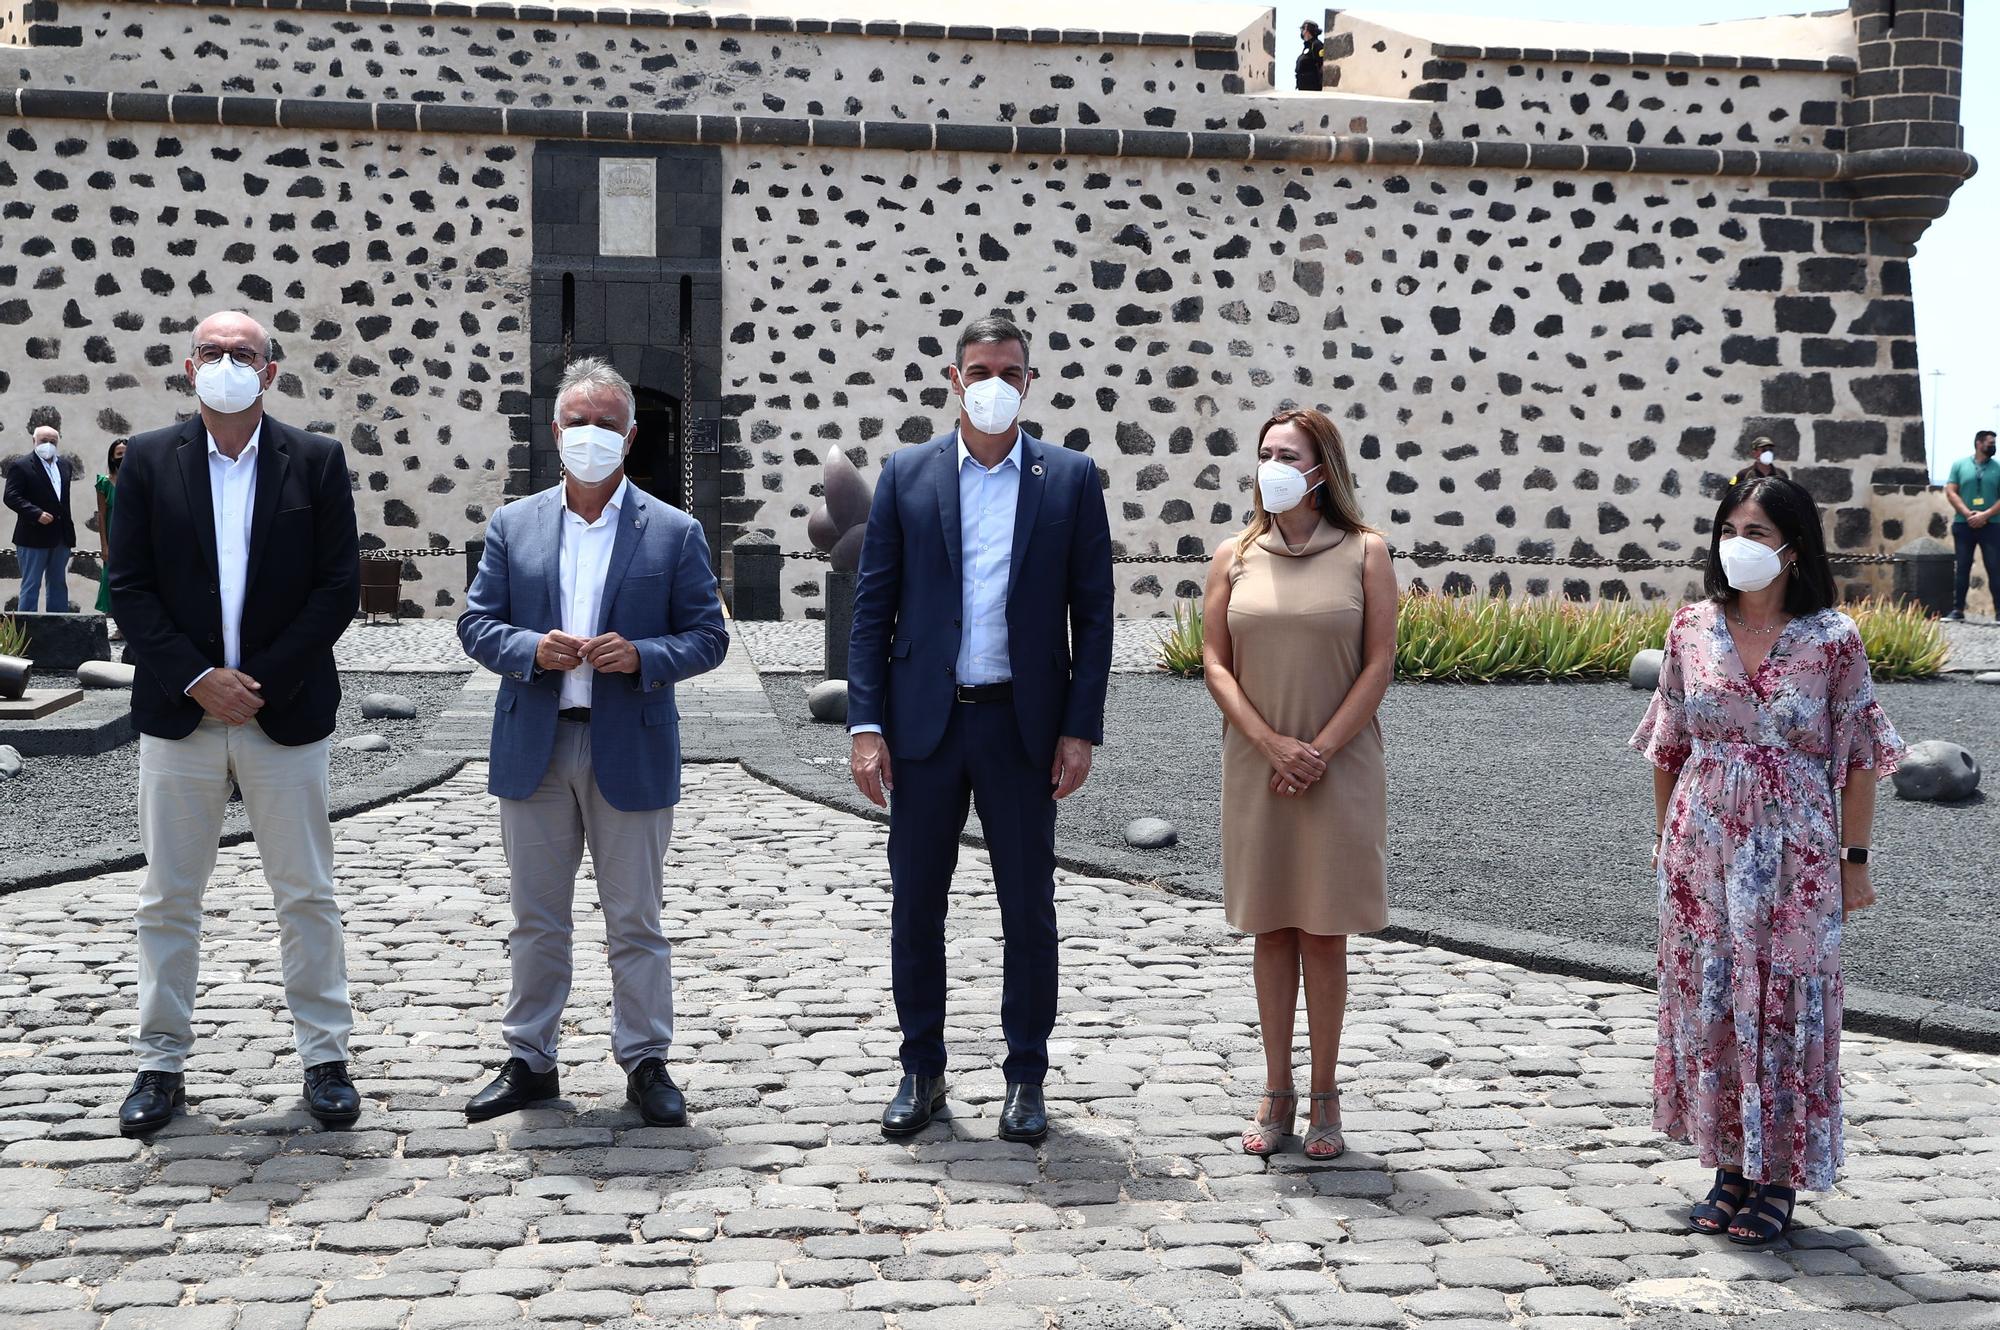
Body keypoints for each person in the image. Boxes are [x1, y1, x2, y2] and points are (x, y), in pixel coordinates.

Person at [847, 314, 1115, 1144]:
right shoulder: (907, 474)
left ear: (1029, 382)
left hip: (1021, 730)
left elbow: (1094, 616)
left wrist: (1081, 730)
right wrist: (864, 722)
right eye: (977, 369)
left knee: (1027, 911)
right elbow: (872, 610)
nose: (992, 382)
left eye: (1008, 369)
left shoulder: (1069, 479)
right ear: (953, 380)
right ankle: (920, 1069)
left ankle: (1025, 1076)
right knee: (915, 908)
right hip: (925, 730)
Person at [107, 310, 362, 1136]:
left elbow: (337, 587)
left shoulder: (316, 462)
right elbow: (131, 587)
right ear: (189, 368)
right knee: (168, 898)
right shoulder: (147, 460)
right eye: (212, 352)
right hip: (177, 716)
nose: (226, 363)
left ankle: (325, 1058)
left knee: (306, 895)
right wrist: (195, 679)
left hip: (280, 713)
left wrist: (254, 682)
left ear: (271, 371)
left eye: (242, 353)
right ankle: (159, 1064)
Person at [457, 356, 729, 1127]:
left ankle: (646, 1061)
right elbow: (477, 624)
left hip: (629, 745)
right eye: (578, 423)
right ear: (554, 431)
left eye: (606, 424)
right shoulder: (515, 524)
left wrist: (644, 655)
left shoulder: (674, 532)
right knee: (536, 919)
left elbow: (708, 637)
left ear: (631, 435)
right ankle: (530, 1059)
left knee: (634, 920)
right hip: (536, 746)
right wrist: (528, 650)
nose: (591, 436)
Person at [1632, 474, 1902, 1246]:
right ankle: (1727, 1167)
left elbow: (1856, 757)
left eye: (1757, 533)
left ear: (1793, 549)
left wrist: (1855, 861)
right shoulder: (1690, 627)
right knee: (1713, 1003)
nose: (1739, 545)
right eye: (1731, 529)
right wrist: (1663, 844)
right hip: (1701, 846)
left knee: (1786, 1004)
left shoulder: (1832, 640)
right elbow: (1668, 743)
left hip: (1797, 854)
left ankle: (1778, 1174)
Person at [1200, 408, 1395, 1160]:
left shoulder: (1366, 553)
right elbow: (1216, 662)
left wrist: (1317, 749)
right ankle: (1274, 1088)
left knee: (1323, 928)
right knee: (1271, 926)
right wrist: (1272, 744)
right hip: (1256, 763)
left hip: (1339, 766)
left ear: (1322, 469)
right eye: (1264, 453)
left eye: (1288, 453)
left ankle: (1325, 1094)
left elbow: (1379, 662)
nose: (1272, 464)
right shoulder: (1233, 555)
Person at [6, 422, 76, 612]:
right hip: (32, 536)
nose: (48, 444)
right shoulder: (21, 466)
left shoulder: (65, 465)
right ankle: (27, 632)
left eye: (53, 441)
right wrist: (36, 513)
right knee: (31, 586)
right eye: (44, 440)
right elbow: (11, 497)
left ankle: (59, 628)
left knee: (58, 584)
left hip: (60, 536)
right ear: (34, 440)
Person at [1944, 429, 2000, 621]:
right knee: (1962, 567)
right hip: (1964, 524)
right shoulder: (1959, 465)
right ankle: (1957, 610)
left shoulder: (1998, 467)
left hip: (1992, 525)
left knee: (1995, 567)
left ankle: (1999, 612)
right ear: (1978, 443)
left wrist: (1985, 515)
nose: (1993, 446)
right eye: (1989, 443)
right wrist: (1968, 514)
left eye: (1994, 443)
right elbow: (1951, 491)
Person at [95, 438, 128, 616]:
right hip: (112, 538)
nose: (123, 457)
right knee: (110, 579)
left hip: (133, 538)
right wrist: (104, 545)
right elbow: (101, 514)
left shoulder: (138, 479)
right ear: (112, 457)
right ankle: (113, 618)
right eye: (119, 454)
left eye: (126, 453)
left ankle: (126, 623)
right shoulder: (104, 483)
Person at [1295, 21, 1326, 92]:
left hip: (1312, 88)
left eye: (1303, 28)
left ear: (1307, 30)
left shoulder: (1317, 44)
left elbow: (1322, 64)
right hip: (1303, 88)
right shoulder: (1307, 47)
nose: (1302, 31)